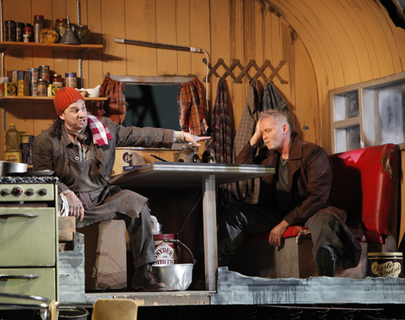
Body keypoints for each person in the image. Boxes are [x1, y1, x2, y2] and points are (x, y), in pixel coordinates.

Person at [33, 87, 208, 291]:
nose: (82, 114)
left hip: (101, 195)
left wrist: (180, 136)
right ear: (61, 114)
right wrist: (65, 192)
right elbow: (43, 177)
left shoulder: (104, 128)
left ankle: (143, 273)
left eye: (83, 107)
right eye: (74, 110)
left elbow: (139, 135)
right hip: (70, 203)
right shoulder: (46, 140)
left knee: (137, 204)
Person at [217, 109, 361, 276]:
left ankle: (327, 265)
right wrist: (256, 135)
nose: (264, 136)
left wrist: (285, 223)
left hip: (314, 211)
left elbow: (317, 197)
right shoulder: (268, 155)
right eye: (262, 132)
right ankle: (217, 270)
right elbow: (241, 167)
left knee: (322, 221)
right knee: (234, 213)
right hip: (278, 212)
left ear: (284, 129)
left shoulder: (312, 152)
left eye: (268, 131)